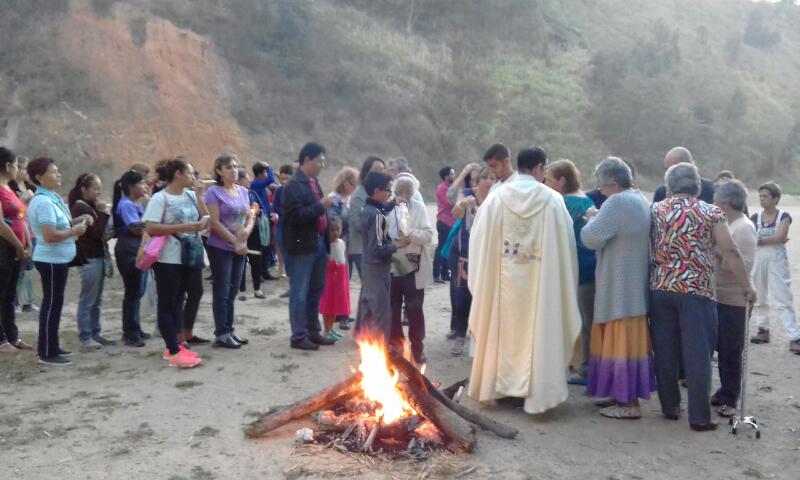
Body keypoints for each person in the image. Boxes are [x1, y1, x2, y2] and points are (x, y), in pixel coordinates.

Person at [467, 146, 581, 414]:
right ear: (540, 168)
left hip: (501, 287)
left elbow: (478, 241)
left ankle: (498, 387)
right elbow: (566, 249)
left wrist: (482, 279)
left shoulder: (496, 198)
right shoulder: (553, 200)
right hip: (541, 287)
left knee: (499, 331)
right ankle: (535, 392)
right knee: (539, 331)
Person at [649, 162, 756, 431]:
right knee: (698, 354)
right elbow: (729, 250)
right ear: (697, 186)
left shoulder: (655, 210)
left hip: (661, 288)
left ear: (670, 185)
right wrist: (746, 285)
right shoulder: (710, 212)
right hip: (697, 290)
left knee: (665, 351)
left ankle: (670, 407)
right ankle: (698, 417)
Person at [579, 157, 655, 419]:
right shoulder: (639, 199)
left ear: (613, 183)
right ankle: (620, 394)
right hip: (633, 284)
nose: (600, 191)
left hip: (619, 286)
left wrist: (591, 218)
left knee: (620, 344)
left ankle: (628, 403)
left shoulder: (616, 202)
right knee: (627, 343)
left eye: (601, 186)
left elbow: (591, 238)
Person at [142, 158, 208, 368]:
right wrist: (186, 227)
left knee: (181, 299)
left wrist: (200, 196)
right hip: (168, 258)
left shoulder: (190, 195)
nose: (193, 177)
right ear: (178, 174)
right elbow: (151, 227)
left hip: (189, 256)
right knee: (168, 302)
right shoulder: (160, 198)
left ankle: (176, 344)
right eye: (190, 173)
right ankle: (172, 350)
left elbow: (205, 217)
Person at [27, 157, 91, 365]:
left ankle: (51, 346)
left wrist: (77, 221)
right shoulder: (43, 202)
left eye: (57, 170)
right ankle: (47, 352)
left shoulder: (52, 197)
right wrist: (74, 231)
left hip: (57, 258)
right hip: (50, 259)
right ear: (39, 177)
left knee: (55, 303)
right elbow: (49, 235)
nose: (58, 175)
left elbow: (59, 225)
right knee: (52, 304)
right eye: (53, 172)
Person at [545, 159, 597, 386]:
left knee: (581, 321)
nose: (546, 184)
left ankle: (585, 368)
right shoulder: (587, 200)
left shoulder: (562, 203)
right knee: (586, 320)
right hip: (589, 267)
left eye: (549, 180)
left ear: (562, 181)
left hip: (575, 269)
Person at [282, 143, 336, 351]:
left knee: (316, 290)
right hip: (302, 246)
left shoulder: (313, 182)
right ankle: (298, 335)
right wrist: (320, 206)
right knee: (300, 292)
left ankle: (313, 331)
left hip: (318, 243)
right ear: (307, 160)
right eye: (319, 161)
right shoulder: (294, 185)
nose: (322, 165)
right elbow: (295, 216)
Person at [712, 180, 758, 417]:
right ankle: (724, 390)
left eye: (716, 202)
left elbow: (744, 265)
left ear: (726, 204)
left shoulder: (744, 228)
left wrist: (719, 252)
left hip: (735, 300)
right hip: (720, 295)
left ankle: (730, 399)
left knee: (731, 351)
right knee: (722, 348)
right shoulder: (729, 225)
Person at [354, 171, 409, 343]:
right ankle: (380, 348)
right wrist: (397, 245)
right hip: (378, 269)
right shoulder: (377, 215)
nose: (389, 193)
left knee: (367, 310)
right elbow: (377, 248)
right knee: (381, 314)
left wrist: (392, 204)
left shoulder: (367, 209)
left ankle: (366, 345)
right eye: (388, 190)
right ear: (377, 190)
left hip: (368, 266)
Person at [204, 154, 253, 349]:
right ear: (219, 171)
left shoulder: (242, 191)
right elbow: (214, 223)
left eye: (234, 166)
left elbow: (249, 217)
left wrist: (246, 232)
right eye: (228, 167)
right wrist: (235, 241)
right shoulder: (213, 192)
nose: (233, 170)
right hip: (220, 248)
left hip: (239, 248)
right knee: (222, 290)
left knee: (233, 290)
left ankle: (230, 329)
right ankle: (221, 333)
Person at [447, 167, 495, 356]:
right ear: (477, 181)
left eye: (493, 178)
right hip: (466, 253)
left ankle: (482, 339)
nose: (489, 182)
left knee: (485, 298)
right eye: (485, 178)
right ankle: (460, 336)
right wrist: (461, 205)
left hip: (488, 254)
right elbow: (455, 214)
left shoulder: (498, 197)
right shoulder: (467, 194)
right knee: (462, 297)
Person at [388, 176, 434, 364]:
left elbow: (428, 236)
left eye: (408, 191)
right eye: (400, 191)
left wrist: (410, 233)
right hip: (393, 263)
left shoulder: (419, 207)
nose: (404, 195)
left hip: (414, 264)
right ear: (395, 191)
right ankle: (397, 347)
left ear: (413, 192)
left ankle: (417, 348)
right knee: (393, 308)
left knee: (414, 308)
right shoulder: (388, 207)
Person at [749, 182, 800, 353]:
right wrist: (773, 239)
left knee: (782, 297)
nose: (762, 199)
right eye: (760, 196)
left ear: (775, 198)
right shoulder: (756, 217)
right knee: (760, 294)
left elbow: (780, 237)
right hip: (759, 259)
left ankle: (795, 336)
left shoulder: (783, 216)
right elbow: (778, 238)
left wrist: (759, 240)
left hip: (776, 260)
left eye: (765, 196)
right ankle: (762, 329)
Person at [68, 173, 115, 350]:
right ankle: (86, 336)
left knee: (96, 300)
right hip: (89, 258)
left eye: (99, 189)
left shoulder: (89, 206)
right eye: (95, 188)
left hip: (97, 256)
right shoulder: (80, 208)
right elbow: (96, 233)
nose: (98, 192)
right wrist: (102, 212)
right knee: (88, 299)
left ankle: (95, 332)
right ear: (84, 189)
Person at [0, 148, 33, 353]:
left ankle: (12, 336)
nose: (17, 169)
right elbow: (1, 224)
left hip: (17, 249)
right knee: (1, 293)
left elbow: (21, 216)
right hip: (4, 249)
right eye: (15, 165)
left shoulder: (9, 188)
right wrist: (19, 245)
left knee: (10, 296)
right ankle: (1, 340)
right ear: (7, 166)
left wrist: (27, 242)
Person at [113, 170, 150, 347]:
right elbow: (136, 228)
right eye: (141, 183)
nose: (145, 186)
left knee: (138, 291)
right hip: (129, 250)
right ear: (131, 187)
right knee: (133, 292)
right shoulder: (127, 205)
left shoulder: (136, 203)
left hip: (138, 249)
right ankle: (130, 332)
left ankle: (135, 327)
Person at [327, 166, 358, 329]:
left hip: (350, 243)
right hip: (338, 245)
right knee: (340, 280)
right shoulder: (334, 199)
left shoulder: (349, 199)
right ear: (344, 182)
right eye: (353, 183)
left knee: (345, 279)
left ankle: (342, 313)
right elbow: (334, 223)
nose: (354, 187)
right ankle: (341, 314)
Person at [348, 157, 386, 281]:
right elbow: (357, 224)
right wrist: (378, 225)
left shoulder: (381, 192)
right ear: (366, 171)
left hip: (377, 247)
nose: (380, 172)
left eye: (382, 169)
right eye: (376, 169)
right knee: (370, 284)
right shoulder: (359, 194)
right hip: (362, 249)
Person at [11, 156, 37, 313]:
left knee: (28, 269)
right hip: (18, 231)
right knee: (17, 269)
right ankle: (14, 302)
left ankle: (28, 302)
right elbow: (13, 209)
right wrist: (24, 198)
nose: (26, 172)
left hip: (32, 232)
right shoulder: (10, 187)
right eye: (23, 168)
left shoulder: (31, 187)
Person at [236, 166, 266, 300]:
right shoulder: (234, 194)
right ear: (239, 180)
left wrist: (254, 211)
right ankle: (241, 291)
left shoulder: (252, 193)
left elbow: (260, 208)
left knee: (256, 261)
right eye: (247, 178)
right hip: (240, 231)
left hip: (254, 231)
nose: (249, 180)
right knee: (241, 261)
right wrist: (251, 212)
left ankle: (257, 289)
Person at [319, 217, 350, 341]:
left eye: (338, 229)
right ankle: (326, 330)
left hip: (340, 278)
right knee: (328, 305)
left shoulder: (342, 243)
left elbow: (344, 259)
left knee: (336, 305)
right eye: (332, 230)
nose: (336, 232)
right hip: (329, 279)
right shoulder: (325, 245)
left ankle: (331, 329)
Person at [250, 161, 279, 281]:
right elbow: (271, 179)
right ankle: (260, 273)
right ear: (260, 174)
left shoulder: (259, 184)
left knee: (267, 245)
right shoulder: (256, 184)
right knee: (262, 245)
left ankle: (264, 271)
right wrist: (268, 166)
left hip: (266, 217)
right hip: (261, 218)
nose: (267, 173)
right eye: (265, 172)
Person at [433, 166, 455, 284]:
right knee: (441, 247)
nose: (454, 175)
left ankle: (445, 274)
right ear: (446, 176)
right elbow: (448, 204)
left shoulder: (451, 188)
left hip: (451, 221)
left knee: (449, 248)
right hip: (444, 221)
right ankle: (436, 274)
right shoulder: (442, 188)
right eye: (452, 174)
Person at [272, 163, 294, 282]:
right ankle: (281, 265)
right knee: (280, 245)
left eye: (287, 179)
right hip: (281, 224)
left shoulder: (297, 190)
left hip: (294, 225)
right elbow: (275, 207)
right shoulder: (279, 190)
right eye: (282, 179)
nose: (284, 181)